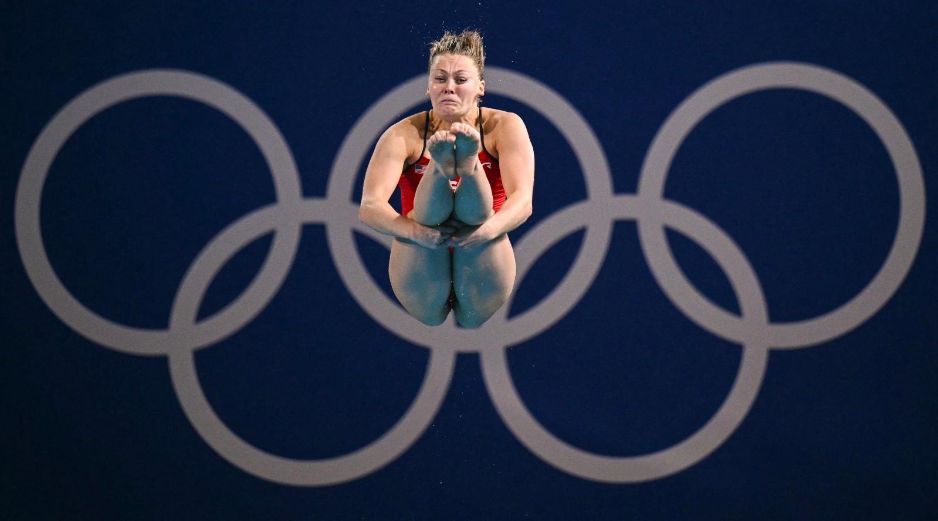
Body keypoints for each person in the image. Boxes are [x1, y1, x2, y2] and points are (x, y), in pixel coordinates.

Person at [359, 29, 534, 328]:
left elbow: (523, 201)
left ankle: (468, 167)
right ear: (428, 87)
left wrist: (486, 231)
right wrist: (415, 232)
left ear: (481, 87)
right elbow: (370, 207)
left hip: (482, 246)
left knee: (476, 216)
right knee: (425, 216)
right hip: (422, 250)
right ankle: (442, 168)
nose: (448, 88)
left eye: (460, 80)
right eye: (439, 79)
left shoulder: (505, 126)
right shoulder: (403, 134)